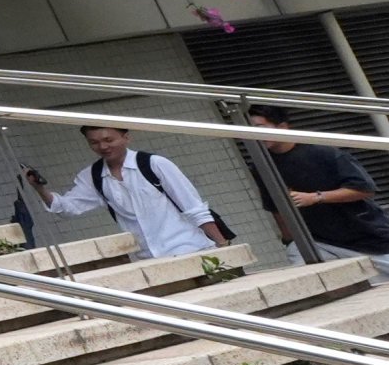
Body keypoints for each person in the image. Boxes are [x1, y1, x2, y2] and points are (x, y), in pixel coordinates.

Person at [23, 124, 228, 261]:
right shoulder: (93, 176)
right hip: (148, 259)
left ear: (126, 137)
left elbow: (194, 208)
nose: (102, 146)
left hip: (191, 249)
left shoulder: (154, 164)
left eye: (109, 140)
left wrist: (223, 245)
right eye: (94, 142)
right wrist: (39, 188)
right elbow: (66, 208)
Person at [258, 112, 389, 259]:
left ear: (282, 127)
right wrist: (289, 240)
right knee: (301, 264)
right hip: (318, 242)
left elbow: (364, 189)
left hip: (366, 237)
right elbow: (276, 208)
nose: (255, 133)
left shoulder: (321, 152)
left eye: (259, 127)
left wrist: (316, 197)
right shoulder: (261, 165)